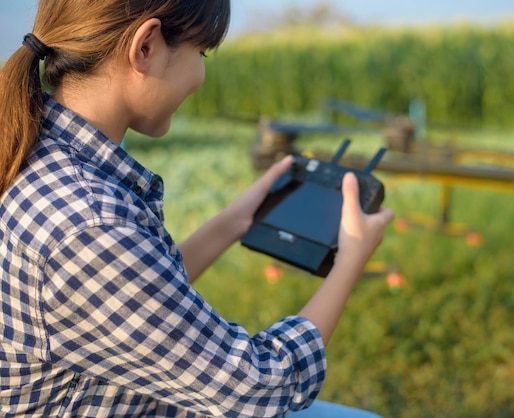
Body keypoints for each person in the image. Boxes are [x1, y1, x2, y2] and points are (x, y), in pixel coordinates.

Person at [0, 0, 395, 417]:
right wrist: (350, 257)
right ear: (146, 47)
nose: (201, 74)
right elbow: (257, 389)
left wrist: (235, 220)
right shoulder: (90, 223)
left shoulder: (34, 153)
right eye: (201, 53)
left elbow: (137, 299)